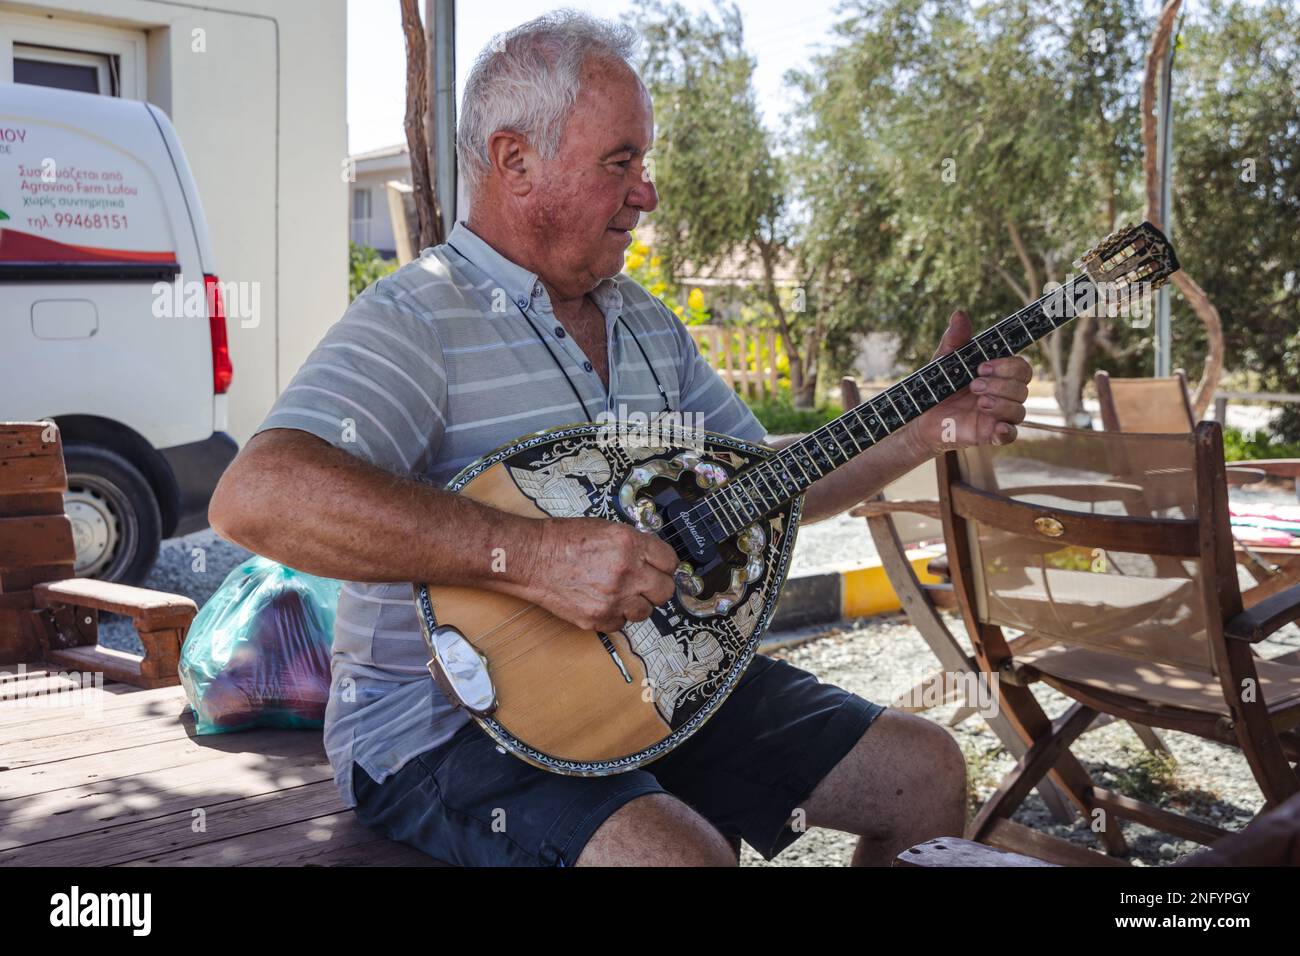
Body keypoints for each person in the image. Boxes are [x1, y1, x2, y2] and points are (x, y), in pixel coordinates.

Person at [209, 10, 1032, 867]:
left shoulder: (644, 324)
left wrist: (922, 431)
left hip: (655, 682)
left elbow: (764, 482)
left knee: (923, 770)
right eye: (621, 162)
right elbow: (257, 496)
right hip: (443, 731)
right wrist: (528, 557)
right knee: (680, 857)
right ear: (515, 162)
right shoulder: (417, 316)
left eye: (642, 162)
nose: (646, 192)